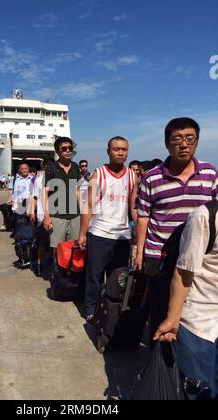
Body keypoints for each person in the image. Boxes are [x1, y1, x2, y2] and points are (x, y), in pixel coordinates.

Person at [135, 117, 218, 340]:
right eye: (177, 139)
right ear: (166, 143)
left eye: (190, 139)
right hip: (158, 254)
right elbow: (143, 216)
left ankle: (186, 364)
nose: (184, 144)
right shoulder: (152, 177)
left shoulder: (210, 174)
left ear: (197, 142)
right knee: (160, 309)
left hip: (195, 257)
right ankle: (159, 365)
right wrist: (140, 252)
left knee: (191, 311)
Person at [154, 202, 218, 399]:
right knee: (199, 392)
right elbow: (184, 272)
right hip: (199, 326)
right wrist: (172, 319)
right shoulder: (204, 217)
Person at [78, 136, 138, 323]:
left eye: (124, 149)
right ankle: (90, 309)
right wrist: (82, 233)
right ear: (108, 151)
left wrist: (137, 231)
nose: (120, 153)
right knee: (94, 275)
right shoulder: (98, 174)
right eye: (116, 149)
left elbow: (133, 206)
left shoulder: (132, 175)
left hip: (122, 235)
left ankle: (111, 310)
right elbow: (88, 205)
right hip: (99, 233)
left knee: (117, 278)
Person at [43, 137, 81, 254]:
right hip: (57, 215)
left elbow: (77, 190)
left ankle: (71, 272)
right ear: (58, 151)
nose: (68, 151)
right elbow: (45, 193)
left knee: (74, 247)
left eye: (70, 148)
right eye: (64, 149)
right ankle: (58, 271)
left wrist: (82, 211)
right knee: (58, 248)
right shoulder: (51, 168)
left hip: (75, 215)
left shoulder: (75, 167)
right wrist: (47, 216)